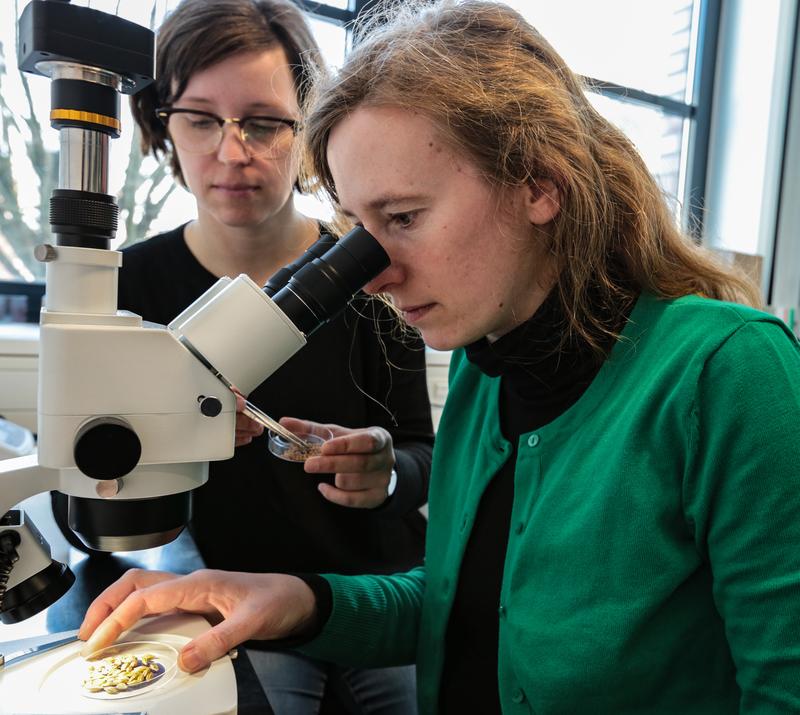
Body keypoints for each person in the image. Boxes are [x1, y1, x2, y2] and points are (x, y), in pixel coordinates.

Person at [79, 1, 800, 713]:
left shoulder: (729, 374)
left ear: (539, 184)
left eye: (402, 219)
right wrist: (286, 597)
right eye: (359, 227)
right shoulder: (485, 365)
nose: (374, 272)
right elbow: (467, 602)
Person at [67, 0, 434, 712]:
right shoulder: (125, 286)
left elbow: (424, 451)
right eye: (202, 119)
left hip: (377, 588)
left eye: (264, 123)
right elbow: (83, 482)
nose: (232, 153)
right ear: (161, 123)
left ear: (308, 131)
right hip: (232, 604)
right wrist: (158, 439)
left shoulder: (369, 268)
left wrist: (387, 470)